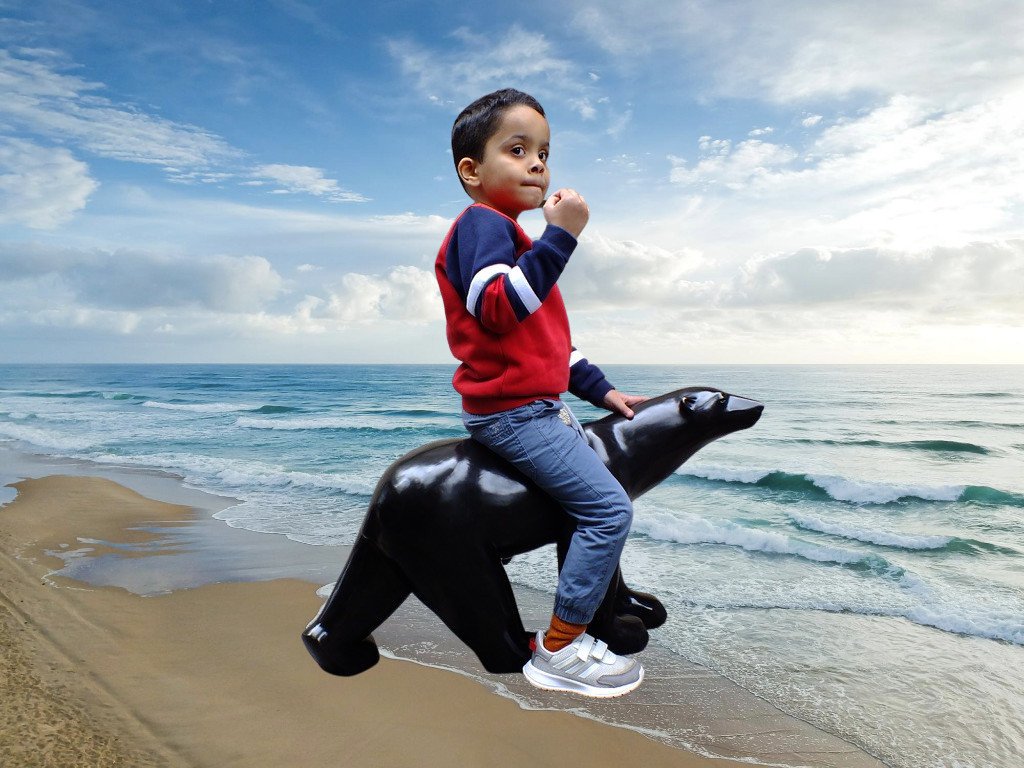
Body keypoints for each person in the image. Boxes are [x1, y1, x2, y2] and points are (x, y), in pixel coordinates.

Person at [434, 88, 647, 698]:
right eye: (518, 149)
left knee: (584, 505)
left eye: (544, 153)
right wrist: (565, 237)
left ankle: (599, 613)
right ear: (472, 172)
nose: (537, 165)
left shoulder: (519, 247)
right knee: (609, 510)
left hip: (539, 407)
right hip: (515, 415)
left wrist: (603, 392)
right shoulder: (481, 227)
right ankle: (559, 648)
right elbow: (499, 310)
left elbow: (550, 347)